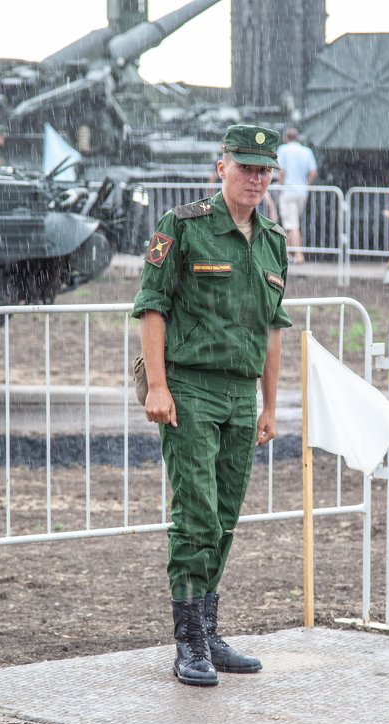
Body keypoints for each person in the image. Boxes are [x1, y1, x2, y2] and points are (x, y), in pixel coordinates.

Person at [132, 124, 292, 687]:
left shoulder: (272, 241)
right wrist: (157, 386)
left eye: (263, 170)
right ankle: (188, 640)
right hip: (191, 388)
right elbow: (152, 307)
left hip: (240, 395)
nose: (255, 178)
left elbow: (273, 329)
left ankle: (209, 629)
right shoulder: (182, 227)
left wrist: (271, 404)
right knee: (195, 513)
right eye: (244, 167)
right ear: (220, 167)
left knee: (224, 515)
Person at [275, 127, 317, 263]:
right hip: (301, 192)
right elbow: (313, 172)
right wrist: (306, 186)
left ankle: (298, 254)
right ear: (297, 138)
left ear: (286, 138)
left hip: (288, 190)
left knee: (291, 224)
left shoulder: (283, 149)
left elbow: (281, 171)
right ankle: (287, 254)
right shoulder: (307, 151)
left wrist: (280, 188)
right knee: (292, 223)